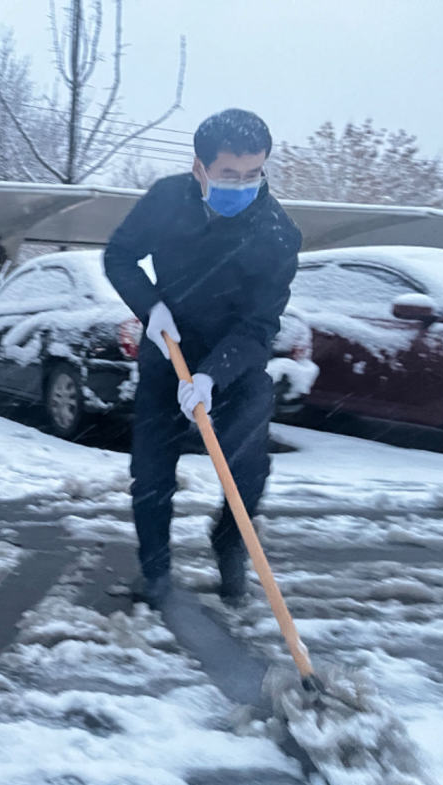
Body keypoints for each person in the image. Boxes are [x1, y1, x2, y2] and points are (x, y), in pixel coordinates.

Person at [103, 109, 302, 607]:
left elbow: (260, 325)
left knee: (248, 470)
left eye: (253, 174)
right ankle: (156, 575)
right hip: (167, 352)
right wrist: (151, 308)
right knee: (150, 472)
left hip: (236, 363)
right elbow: (119, 256)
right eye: (228, 175)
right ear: (200, 169)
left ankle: (229, 541)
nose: (242, 185)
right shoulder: (167, 200)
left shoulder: (277, 234)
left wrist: (213, 374)